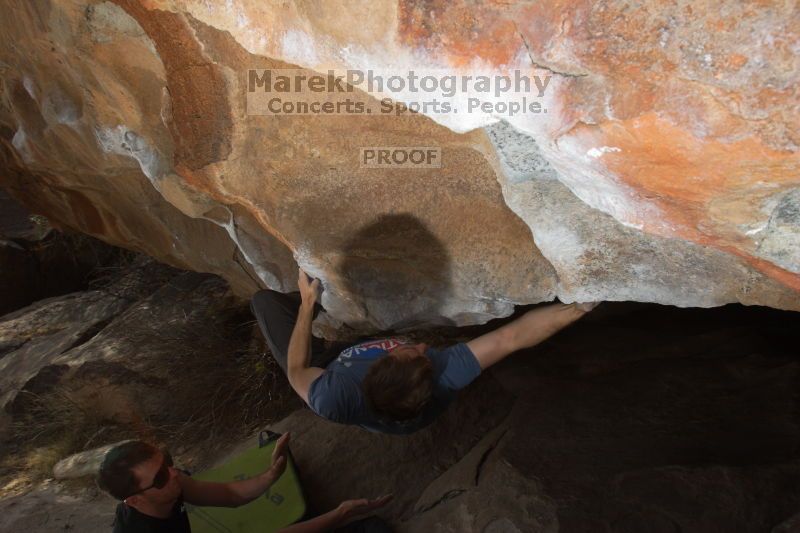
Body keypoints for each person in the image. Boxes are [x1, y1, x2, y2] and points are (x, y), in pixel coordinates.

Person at [251, 269, 598, 435]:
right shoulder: (446, 373)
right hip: (359, 375)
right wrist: (578, 309)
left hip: (325, 367)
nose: (422, 345)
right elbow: (511, 338)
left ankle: (322, 320)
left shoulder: (333, 397)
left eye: (408, 351)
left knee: (264, 302)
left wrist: (307, 304)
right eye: (419, 353)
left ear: (376, 365)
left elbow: (297, 369)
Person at [99, 433, 392, 532]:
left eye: (167, 461)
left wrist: (271, 474)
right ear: (135, 500)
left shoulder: (167, 487)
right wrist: (339, 513)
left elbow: (230, 494)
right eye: (161, 476)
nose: (174, 473)